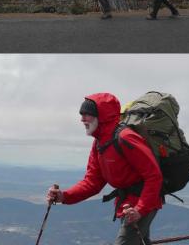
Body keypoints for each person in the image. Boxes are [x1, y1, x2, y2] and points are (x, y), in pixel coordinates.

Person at [46, 93, 163, 245]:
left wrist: (140, 209)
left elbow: (154, 176)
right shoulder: (100, 143)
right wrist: (64, 196)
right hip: (128, 204)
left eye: (86, 115)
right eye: (82, 115)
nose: (82, 119)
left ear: (101, 116)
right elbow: (92, 182)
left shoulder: (126, 137)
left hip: (142, 202)